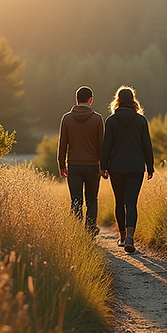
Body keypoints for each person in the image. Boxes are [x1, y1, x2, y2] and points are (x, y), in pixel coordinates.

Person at [100, 86, 154, 253]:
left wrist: (103, 166)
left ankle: (122, 238)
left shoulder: (111, 121)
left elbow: (106, 146)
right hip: (136, 167)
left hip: (117, 167)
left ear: (118, 100)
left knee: (119, 202)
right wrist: (150, 166)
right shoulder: (141, 121)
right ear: (132, 100)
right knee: (131, 203)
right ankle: (130, 237)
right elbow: (146, 145)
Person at [57, 86, 105, 235]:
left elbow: (63, 143)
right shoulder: (97, 119)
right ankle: (90, 230)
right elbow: (101, 145)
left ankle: (77, 232)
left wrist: (61, 164)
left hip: (74, 166)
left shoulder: (67, 118)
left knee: (76, 200)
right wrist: (103, 165)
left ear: (76, 100)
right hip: (93, 166)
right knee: (92, 199)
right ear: (91, 100)